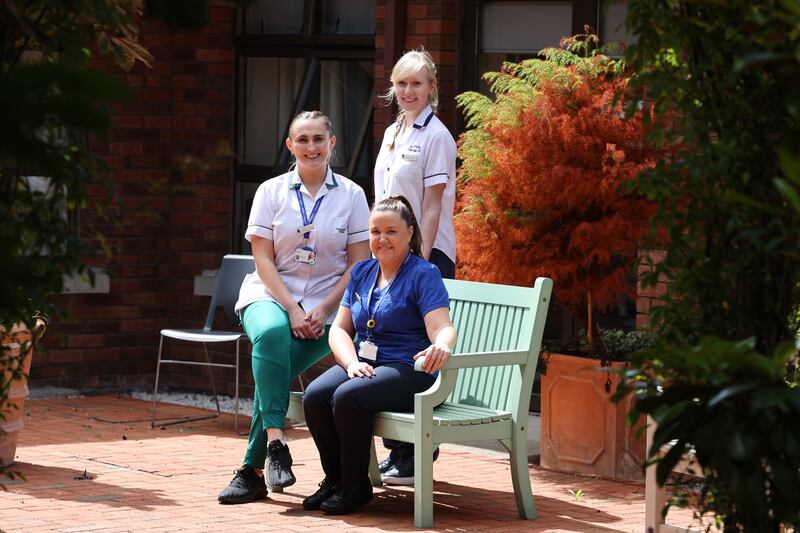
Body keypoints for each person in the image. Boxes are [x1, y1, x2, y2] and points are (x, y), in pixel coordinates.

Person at [217, 111, 371, 505]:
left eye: (319, 139)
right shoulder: (269, 191)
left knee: (274, 364)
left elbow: (357, 263)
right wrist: (292, 309)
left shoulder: (352, 195)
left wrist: (322, 309)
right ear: (290, 146)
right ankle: (276, 443)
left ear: (332, 143)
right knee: (270, 336)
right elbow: (262, 259)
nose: (311, 147)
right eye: (302, 140)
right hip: (270, 295)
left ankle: (254, 469)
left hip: (329, 306)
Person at [301, 196, 457, 515]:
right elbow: (340, 330)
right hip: (367, 365)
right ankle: (335, 480)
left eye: (391, 231)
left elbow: (442, 326)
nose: (381, 239)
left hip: (409, 369)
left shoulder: (423, 274)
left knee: (349, 397)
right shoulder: (361, 272)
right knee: (315, 396)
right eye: (375, 231)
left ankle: (356, 487)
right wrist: (351, 362)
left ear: (410, 233)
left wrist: (442, 344)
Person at [373, 48, 457, 484]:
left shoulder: (437, 137)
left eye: (417, 84)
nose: (408, 91)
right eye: (401, 84)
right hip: (394, 253)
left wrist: (416, 264)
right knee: (393, 346)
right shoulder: (393, 133)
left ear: (432, 89)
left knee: (418, 352)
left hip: (425, 256)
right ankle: (400, 451)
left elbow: (432, 206)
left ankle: (414, 455)